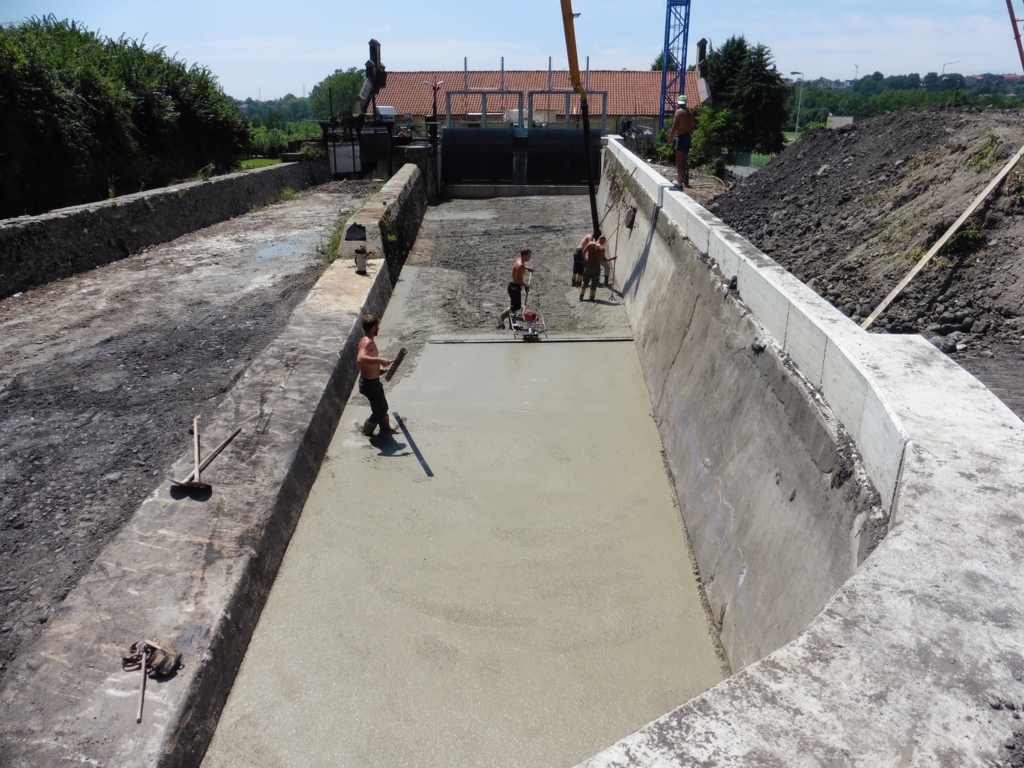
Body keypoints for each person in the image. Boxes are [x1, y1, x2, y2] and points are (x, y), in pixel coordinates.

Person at [356, 314, 391, 436]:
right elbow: (361, 359)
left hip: (370, 382)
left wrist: (378, 370)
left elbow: (367, 360)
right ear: (373, 328)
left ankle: (385, 429)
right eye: (377, 326)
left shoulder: (364, 340)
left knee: (381, 407)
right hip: (370, 385)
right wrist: (380, 360)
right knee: (381, 409)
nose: (379, 328)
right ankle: (367, 431)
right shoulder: (368, 342)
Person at [498, 248, 533, 328]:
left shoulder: (520, 261)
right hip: (514, 287)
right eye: (529, 255)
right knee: (515, 306)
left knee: (515, 306)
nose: (530, 257)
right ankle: (501, 317)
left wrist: (527, 268)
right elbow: (518, 279)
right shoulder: (520, 265)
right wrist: (525, 285)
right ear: (524, 256)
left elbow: (521, 267)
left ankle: (512, 325)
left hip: (513, 286)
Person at [669, 94, 695, 189]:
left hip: (680, 138)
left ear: (678, 102)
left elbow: (674, 126)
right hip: (688, 138)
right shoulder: (690, 113)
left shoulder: (679, 112)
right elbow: (692, 127)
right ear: (686, 102)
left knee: (679, 163)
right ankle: (681, 183)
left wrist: (671, 138)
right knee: (683, 162)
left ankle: (679, 185)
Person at [579, 236, 614, 302]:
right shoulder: (601, 248)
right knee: (594, 283)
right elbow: (604, 259)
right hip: (596, 266)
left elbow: (583, 253)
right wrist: (612, 258)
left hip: (588, 265)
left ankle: (581, 296)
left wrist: (585, 260)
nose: (603, 243)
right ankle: (591, 298)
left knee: (585, 282)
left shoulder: (589, 244)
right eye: (604, 242)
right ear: (602, 240)